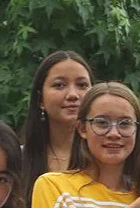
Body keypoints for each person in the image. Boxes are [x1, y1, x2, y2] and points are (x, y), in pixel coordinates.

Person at [20, 51, 93, 194]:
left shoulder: (107, 161)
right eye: (59, 85)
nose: (73, 94)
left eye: (82, 85)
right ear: (40, 99)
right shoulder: (18, 159)